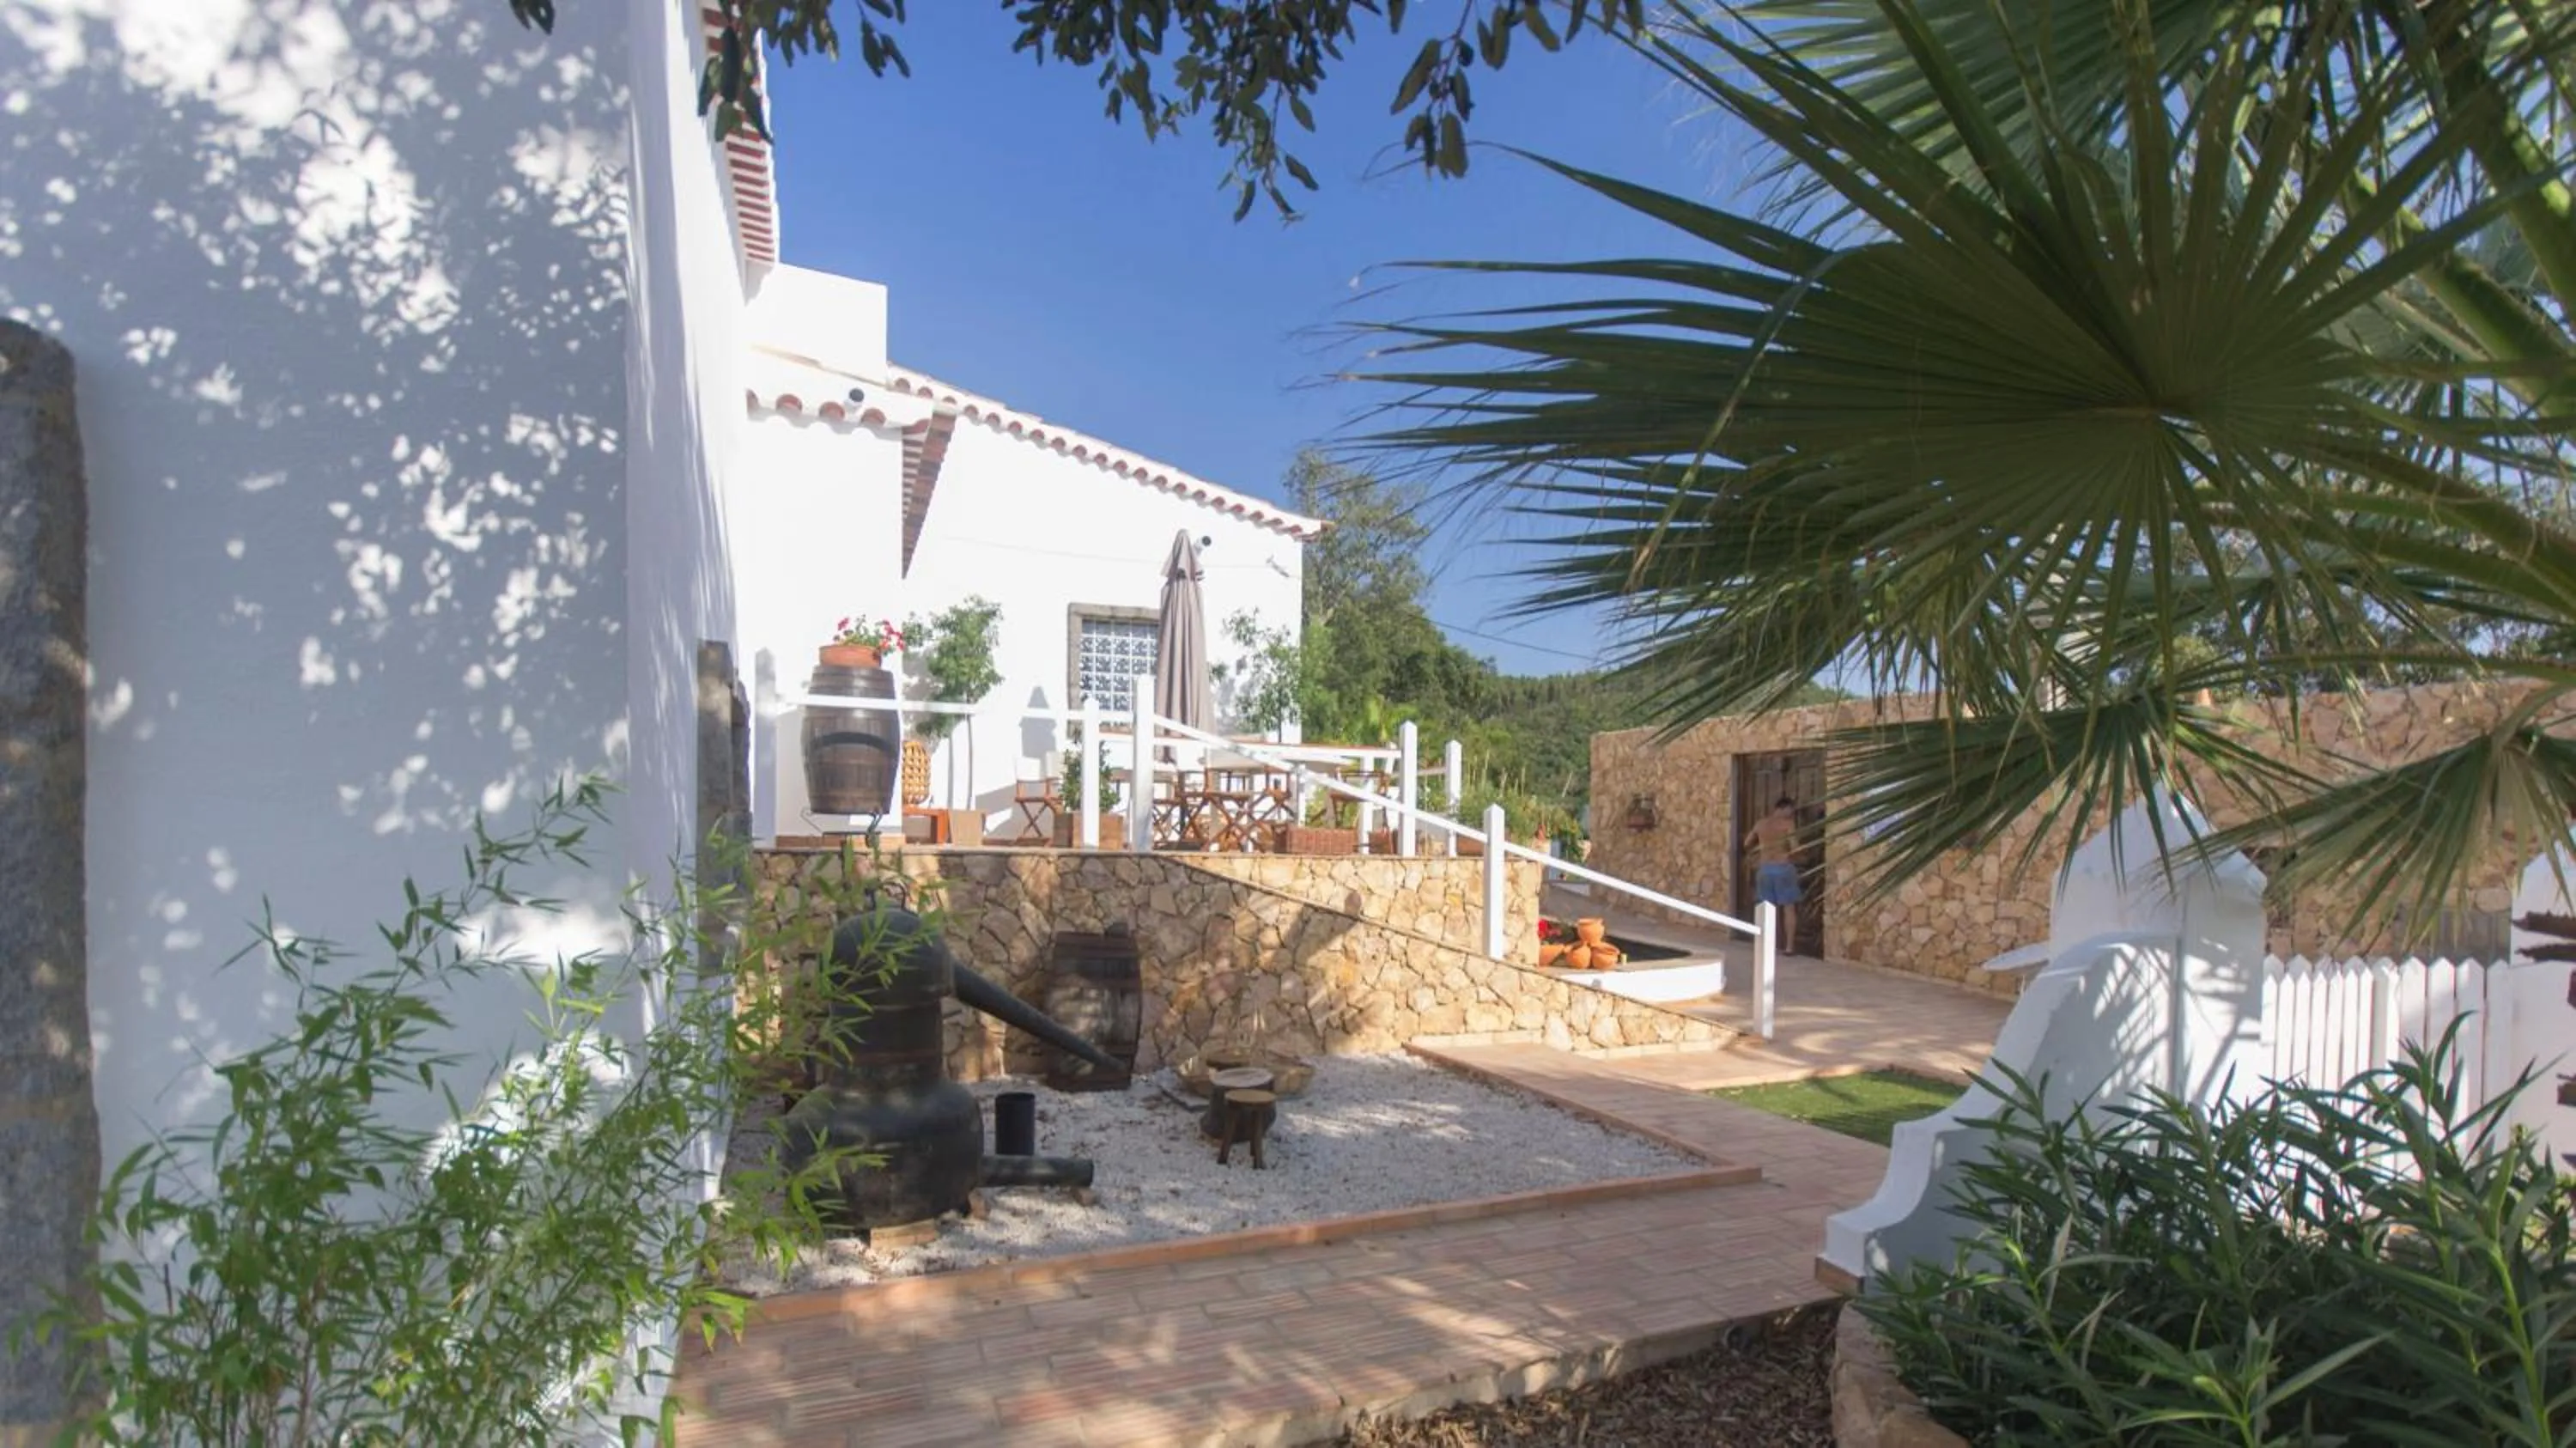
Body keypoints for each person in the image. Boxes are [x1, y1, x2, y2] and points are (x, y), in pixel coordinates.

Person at [1746, 794, 1804, 955]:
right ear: (1783, 808)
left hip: (1765, 869)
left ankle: (1766, 944)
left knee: (1766, 909)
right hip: (1783, 868)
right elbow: (1795, 847)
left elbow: (1747, 843)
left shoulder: (1760, 824)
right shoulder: (1788, 824)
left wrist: (1757, 856)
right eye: (1791, 810)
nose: (1792, 813)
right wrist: (1799, 856)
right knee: (1788, 908)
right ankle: (1789, 947)